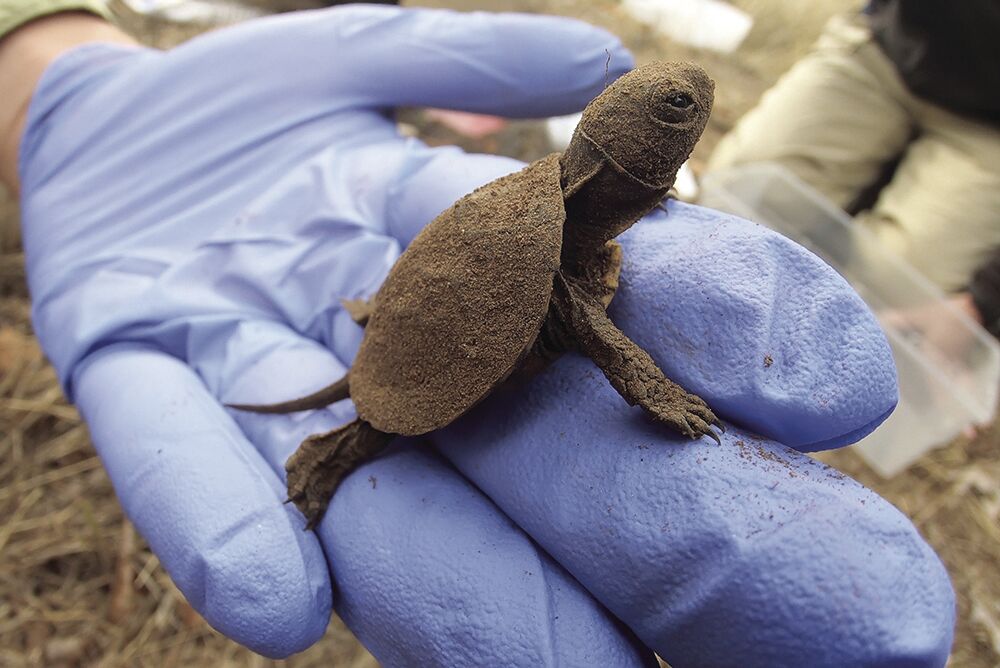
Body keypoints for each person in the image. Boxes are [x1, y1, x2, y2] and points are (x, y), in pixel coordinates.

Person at [0, 3, 956, 666]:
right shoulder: (539, 218)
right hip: (423, 349)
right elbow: (588, 326)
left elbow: (565, 299)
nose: (691, 107)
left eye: (678, 110)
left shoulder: (561, 209)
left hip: (431, 301)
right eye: (672, 110)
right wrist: (657, 393)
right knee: (381, 424)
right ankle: (332, 449)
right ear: (625, 158)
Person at [707, 1, 1000, 335]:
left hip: (989, 127)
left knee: (898, 293)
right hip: (891, 45)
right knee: (743, 188)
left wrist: (984, 299)